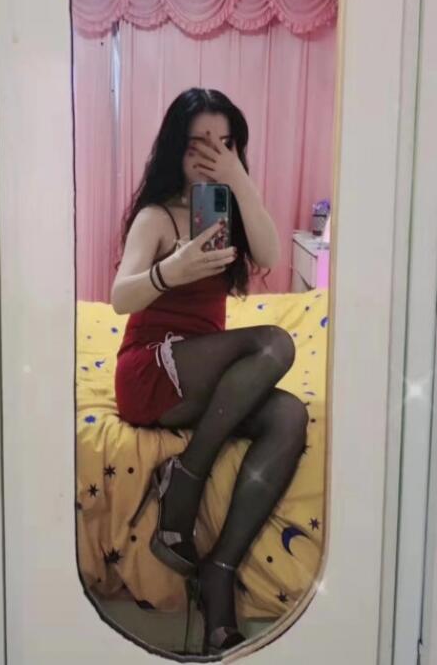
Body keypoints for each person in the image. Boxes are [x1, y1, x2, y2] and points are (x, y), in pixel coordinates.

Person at [111, 88, 307, 655]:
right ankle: (188, 478)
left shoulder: (227, 210)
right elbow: (121, 297)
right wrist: (170, 271)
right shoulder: (156, 216)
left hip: (204, 376)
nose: (212, 154)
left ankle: (219, 572)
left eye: (225, 144)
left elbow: (270, 256)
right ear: (176, 147)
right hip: (151, 372)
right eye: (199, 142)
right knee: (274, 344)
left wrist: (240, 181)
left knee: (289, 416)